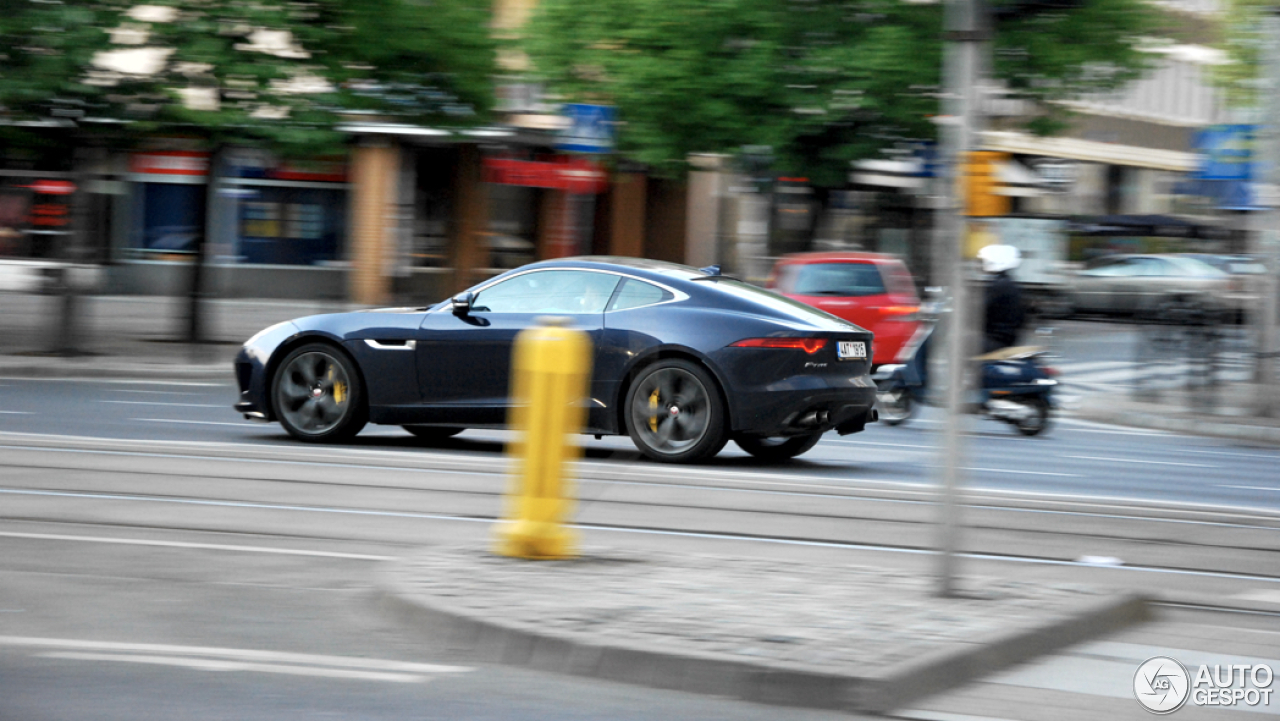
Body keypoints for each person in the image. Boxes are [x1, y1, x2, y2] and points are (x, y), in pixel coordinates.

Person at [977, 243, 1025, 353]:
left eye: (984, 260)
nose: (982, 264)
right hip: (1007, 338)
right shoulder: (1009, 283)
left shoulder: (999, 285)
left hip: (995, 340)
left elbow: (982, 310)